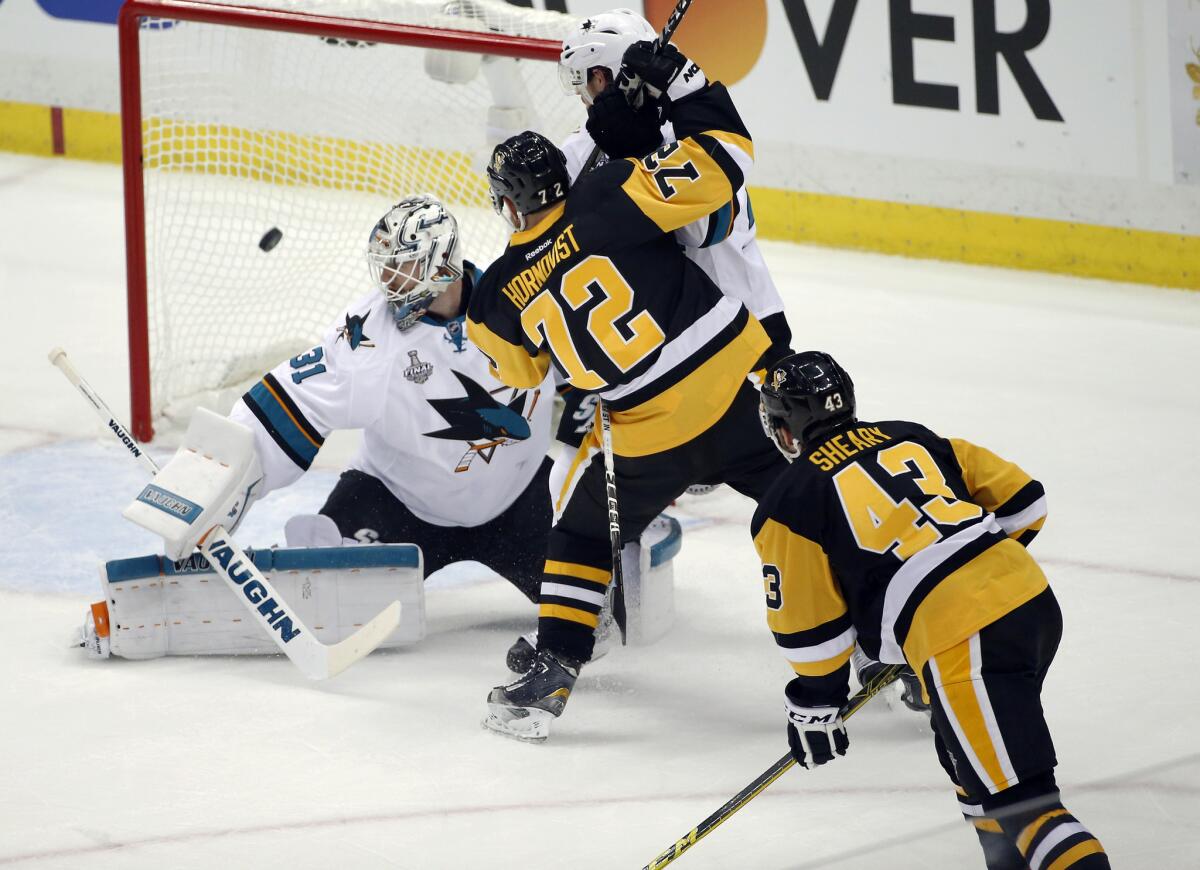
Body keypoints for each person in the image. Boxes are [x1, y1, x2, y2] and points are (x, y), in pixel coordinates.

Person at [466, 41, 788, 741]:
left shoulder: (495, 296)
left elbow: (520, 372)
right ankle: (899, 646)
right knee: (821, 501)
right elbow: (723, 161)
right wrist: (684, 84)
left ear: (509, 206)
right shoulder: (609, 195)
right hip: (740, 394)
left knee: (581, 536)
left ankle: (553, 669)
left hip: (645, 435)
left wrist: (483, 298)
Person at [753, 351, 1109, 870]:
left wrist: (815, 701)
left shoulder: (788, 500)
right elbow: (1025, 501)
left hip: (963, 637)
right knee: (970, 767)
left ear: (785, 427)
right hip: (1030, 599)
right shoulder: (911, 436)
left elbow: (812, 631)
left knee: (1026, 806)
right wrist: (969, 582)